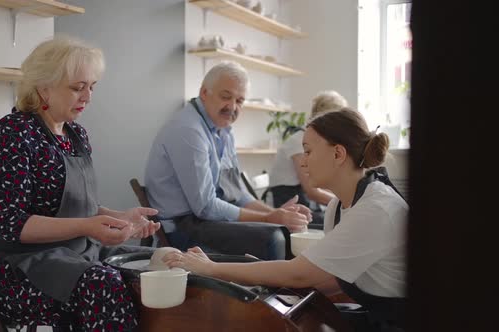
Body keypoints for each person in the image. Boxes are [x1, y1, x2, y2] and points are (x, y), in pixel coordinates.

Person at [164, 108, 408, 331]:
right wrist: (265, 289)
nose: (303, 161)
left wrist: (212, 269)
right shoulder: (337, 206)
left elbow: (299, 274)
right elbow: (331, 278)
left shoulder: (375, 208)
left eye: (309, 151)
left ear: (338, 153)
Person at [0, 36, 160, 331]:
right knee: (105, 283)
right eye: (78, 88)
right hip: (21, 267)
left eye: (92, 86)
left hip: (76, 253)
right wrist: (88, 227)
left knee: (158, 264)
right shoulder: (12, 133)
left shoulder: (76, 135)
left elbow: (79, 207)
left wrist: (119, 217)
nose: (88, 97)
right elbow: (13, 224)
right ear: (44, 86)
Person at [144, 61, 311, 260]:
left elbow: (238, 194)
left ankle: (286, 289)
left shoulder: (223, 131)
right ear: (204, 92)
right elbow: (205, 207)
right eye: (226, 97)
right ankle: (275, 291)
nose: (232, 107)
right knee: (274, 236)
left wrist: (276, 214)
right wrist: (268, 218)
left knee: (285, 229)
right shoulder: (189, 131)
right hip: (182, 228)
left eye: (240, 101)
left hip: (206, 221)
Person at [267, 90, 348, 229]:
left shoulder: (314, 140)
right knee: (340, 222)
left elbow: (321, 185)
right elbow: (312, 191)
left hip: (305, 201)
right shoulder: (299, 141)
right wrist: (346, 204)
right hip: (290, 204)